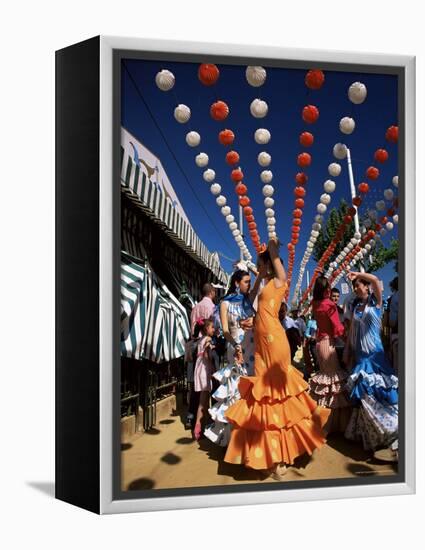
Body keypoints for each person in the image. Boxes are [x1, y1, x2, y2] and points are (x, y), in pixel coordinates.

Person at [224, 239, 330, 480]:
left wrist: (271, 250)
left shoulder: (279, 281)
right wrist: (259, 275)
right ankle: (267, 453)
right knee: (262, 397)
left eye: (264, 264)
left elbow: (276, 266)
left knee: (278, 396)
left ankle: (280, 457)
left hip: (275, 342)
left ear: (270, 264)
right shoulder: (263, 284)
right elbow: (252, 300)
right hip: (261, 345)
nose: (262, 267)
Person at [204, 268, 261, 447]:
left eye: (249, 282)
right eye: (246, 281)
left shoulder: (248, 299)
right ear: (236, 283)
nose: (249, 285)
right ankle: (234, 439)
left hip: (252, 348)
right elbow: (225, 331)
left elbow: (261, 278)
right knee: (236, 391)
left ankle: (251, 436)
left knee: (251, 389)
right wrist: (236, 345)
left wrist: (251, 268)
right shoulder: (225, 303)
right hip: (236, 348)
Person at [343, 271, 398, 451]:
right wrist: (348, 351)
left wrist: (358, 273)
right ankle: (372, 436)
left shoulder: (377, 303)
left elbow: (374, 279)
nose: (356, 288)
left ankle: (391, 429)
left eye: (359, 284)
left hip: (375, 356)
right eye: (354, 286)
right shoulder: (355, 307)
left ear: (366, 287)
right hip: (361, 356)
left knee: (379, 394)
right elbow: (352, 332)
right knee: (365, 396)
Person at [308, 276, 352, 433]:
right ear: (327, 288)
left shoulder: (315, 303)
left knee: (325, 382)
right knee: (333, 383)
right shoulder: (329, 304)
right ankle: (332, 424)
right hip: (329, 343)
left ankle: (323, 420)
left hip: (320, 343)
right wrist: (348, 339)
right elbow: (338, 327)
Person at [185, 283, 217, 428]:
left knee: (194, 383)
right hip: (205, 345)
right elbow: (213, 326)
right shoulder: (211, 307)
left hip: (194, 344)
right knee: (207, 383)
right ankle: (209, 418)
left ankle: (191, 417)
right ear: (211, 292)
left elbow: (192, 326)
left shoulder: (195, 307)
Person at [193, 318, 216, 441]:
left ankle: (205, 426)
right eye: (212, 327)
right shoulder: (208, 339)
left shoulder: (200, 339)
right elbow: (207, 355)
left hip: (199, 369)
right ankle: (198, 427)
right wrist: (212, 367)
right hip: (205, 371)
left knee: (204, 400)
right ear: (207, 329)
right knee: (203, 402)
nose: (214, 329)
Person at [330, 287, 346, 367]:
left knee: (342, 367)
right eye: (333, 296)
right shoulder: (327, 309)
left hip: (341, 342)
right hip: (330, 344)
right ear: (329, 296)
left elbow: (343, 325)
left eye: (337, 296)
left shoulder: (341, 310)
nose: (336, 298)